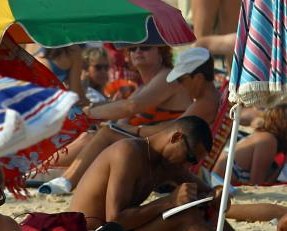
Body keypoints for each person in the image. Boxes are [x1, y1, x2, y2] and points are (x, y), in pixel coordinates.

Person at [67, 116, 262, 231]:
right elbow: (115, 220)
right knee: (187, 218)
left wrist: (218, 195)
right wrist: (169, 201)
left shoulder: (166, 164)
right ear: (176, 137)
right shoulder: (128, 153)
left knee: (205, 209)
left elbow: (208, 193)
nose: (187, 165)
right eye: (190, 158)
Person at [47, 47, 219, 195]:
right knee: (102, 134)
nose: (180, 85)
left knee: (105, 134)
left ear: (197, 78)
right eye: (132, 48)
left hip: (172, 162)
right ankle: (58, 175)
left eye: (182, 80)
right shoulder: (206, 99)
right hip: (173, 156)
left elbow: (171, 132)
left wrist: (133, 130)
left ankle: (66, 180)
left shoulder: (203, 103)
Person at [215, 103, 287, 186]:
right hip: (217, 182)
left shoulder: (264, 136)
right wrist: (286, 163)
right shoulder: (268, 141)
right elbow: (256, 184)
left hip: (216, 177)